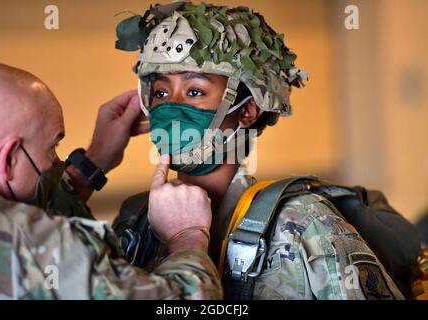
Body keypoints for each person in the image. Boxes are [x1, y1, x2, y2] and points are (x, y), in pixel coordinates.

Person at [113, 2, 411, 299]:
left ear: (248, 111)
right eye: (161, 92)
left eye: (195, 92)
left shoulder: (301, 224)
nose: (171, 107)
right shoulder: (136, 222)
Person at [0, 59, 221, 299]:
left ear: (247, 110)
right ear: (7, 160)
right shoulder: (28, 246)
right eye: (51, 149)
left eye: (195, 91)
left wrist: (90, 166)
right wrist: (188, 238)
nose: (55, 162)